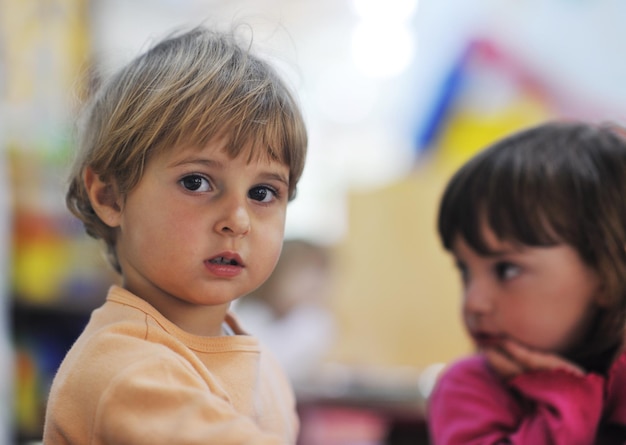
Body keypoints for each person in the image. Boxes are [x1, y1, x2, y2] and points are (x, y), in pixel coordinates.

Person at [43, 25, 307, 444]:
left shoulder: (263, 366)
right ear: (110, 196)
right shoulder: (125, 368)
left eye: (262, 192)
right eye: (197, 182)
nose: (237, 220)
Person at [427, 121, 626, 444]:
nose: (473, 302)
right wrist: (564, 398)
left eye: (506, 270)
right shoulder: (469, 389)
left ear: (606, 275)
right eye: (465, 271)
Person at [234, 238, 335, 384]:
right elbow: (270, 368)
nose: (315, 283)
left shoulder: (316, 320)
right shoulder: (247, 318)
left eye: (320, 274)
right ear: (274, 274)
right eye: (304, 272)